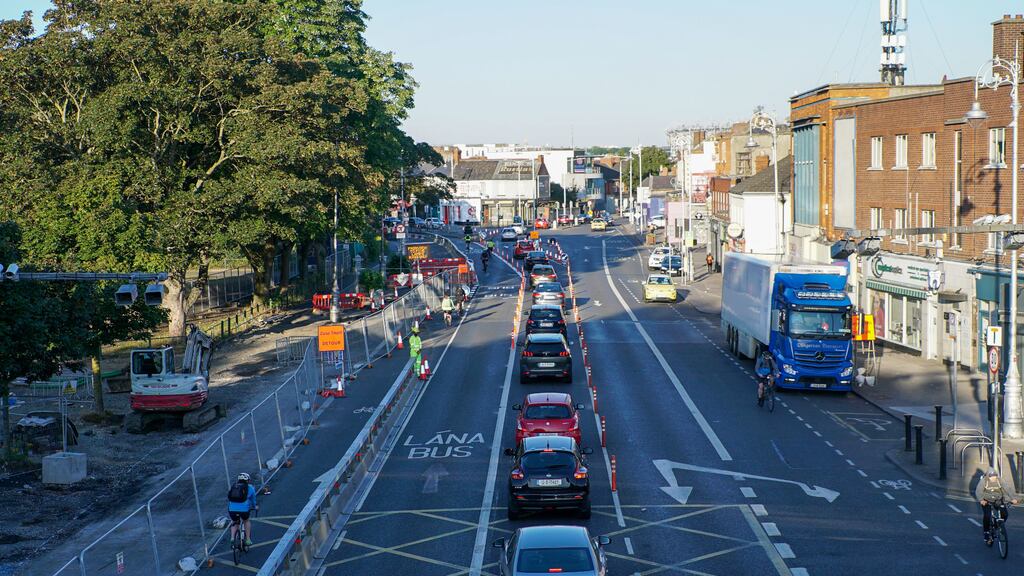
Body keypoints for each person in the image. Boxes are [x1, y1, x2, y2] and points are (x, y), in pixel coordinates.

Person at [976, 467, 1019, 544]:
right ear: (988, 476)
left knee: (1005, 514)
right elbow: (978, 491)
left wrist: (1013, 498)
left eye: (995, 476)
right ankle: (986, 532)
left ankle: (997, 526)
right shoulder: (984, 481)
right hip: (986, 501)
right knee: (987, 516)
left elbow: (1007, 489)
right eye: (991, 476)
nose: (993, 478)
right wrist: (981, 500)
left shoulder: (999, 480)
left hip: (998, 500)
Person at [228, 473, 258, 547]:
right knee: (246, 521)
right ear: (248, 480)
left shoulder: (234, 486)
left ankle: (232, 538)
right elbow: (253, 500)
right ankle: (247, 539)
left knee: (234, 522)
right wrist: (255, 506)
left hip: (232, 509)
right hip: (244, 510)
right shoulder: (250, 488)